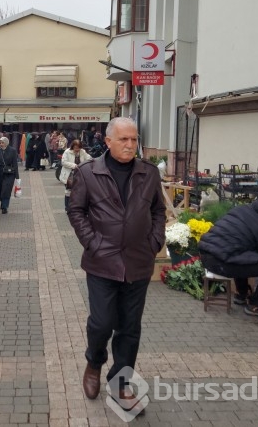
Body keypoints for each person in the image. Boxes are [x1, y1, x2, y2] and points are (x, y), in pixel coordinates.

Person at [67, 117, 165, 409]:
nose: (130, 145)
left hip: (138, 262)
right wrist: (93, 243)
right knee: (101, 323)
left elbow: (159, 211)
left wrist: (154, 242)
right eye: (124, 139)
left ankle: (120, 382)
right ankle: (94, 362)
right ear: (108, 141)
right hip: (102, 263)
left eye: (134, 139)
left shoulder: (148, 173)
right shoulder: (88, 173)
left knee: (130, 328)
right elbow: (76, 211)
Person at [198, 199, 258, 320]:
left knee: (245, 255)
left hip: (206, 255)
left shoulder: (243, 209)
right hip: (221, 262)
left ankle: (241, 294)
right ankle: (256, 305)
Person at [59, 139, 92, 212]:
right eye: (76, 147)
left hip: (80, 175)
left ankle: (77, 207)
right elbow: (63, 162)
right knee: (68, 191)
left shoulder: (82, 152)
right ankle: (67, 207)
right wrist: (75, 166)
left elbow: (88, 158)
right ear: (72, 146)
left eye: (79, 147)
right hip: (69, 175)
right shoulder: (67, 152)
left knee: (80, 191)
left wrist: (92, 161)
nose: (77, 149)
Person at [0, 136, 19, 213]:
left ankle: (5, 206)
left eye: (3, 143)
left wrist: (17, 176)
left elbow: (15, 163)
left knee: (6, 190)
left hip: (9, 173)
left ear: (6, 143)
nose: (1, 144)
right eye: (0, 143)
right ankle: (2, 202)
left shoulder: (13, 151)